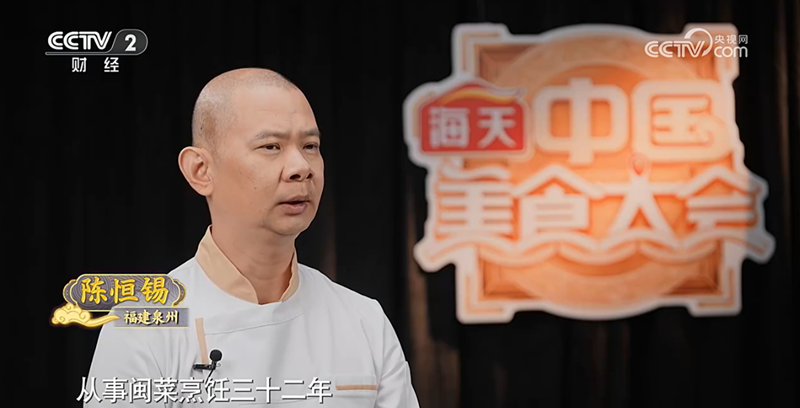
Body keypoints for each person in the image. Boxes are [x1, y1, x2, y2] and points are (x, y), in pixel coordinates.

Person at [84, 68, 420, 407]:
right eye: (271, 146)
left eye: (310, 146)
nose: (301, 167)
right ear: (200, 170)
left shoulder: (363, 321)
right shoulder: (143, 329)